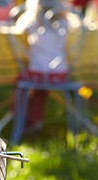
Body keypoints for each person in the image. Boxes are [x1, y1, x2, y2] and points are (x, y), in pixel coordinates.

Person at [12, 0, 74, 131]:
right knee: (40, 89)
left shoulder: (32, 22)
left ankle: (20, 117)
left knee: (20, 82)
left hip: (36, 73)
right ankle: (35, 118)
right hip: (60, 74)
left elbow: (17, 28)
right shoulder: (65, 22)